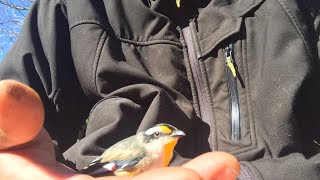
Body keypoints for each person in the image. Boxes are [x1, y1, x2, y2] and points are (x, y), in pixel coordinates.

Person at [0, 0, 320, 179]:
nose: (172, 137)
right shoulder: (72, 8)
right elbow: (15, 135)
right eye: (165, 134)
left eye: (170, 134)